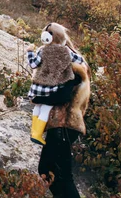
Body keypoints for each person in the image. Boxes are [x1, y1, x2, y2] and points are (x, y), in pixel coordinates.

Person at [37, 59, 91, 198]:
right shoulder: (76, 66)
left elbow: (63, 95)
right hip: (64, 126)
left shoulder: (71, 68)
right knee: (49, 170)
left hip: (63, 126)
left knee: (61, 175)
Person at [26, 22, 86, 145]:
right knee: (46, 108)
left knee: (37, 106)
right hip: (50, 87)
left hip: (37, 86)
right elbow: (79, 60)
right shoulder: (65, 51)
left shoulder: (42, 50)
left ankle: (33, 131)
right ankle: (38, 134)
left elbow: (33, 64)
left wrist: (30, 52)